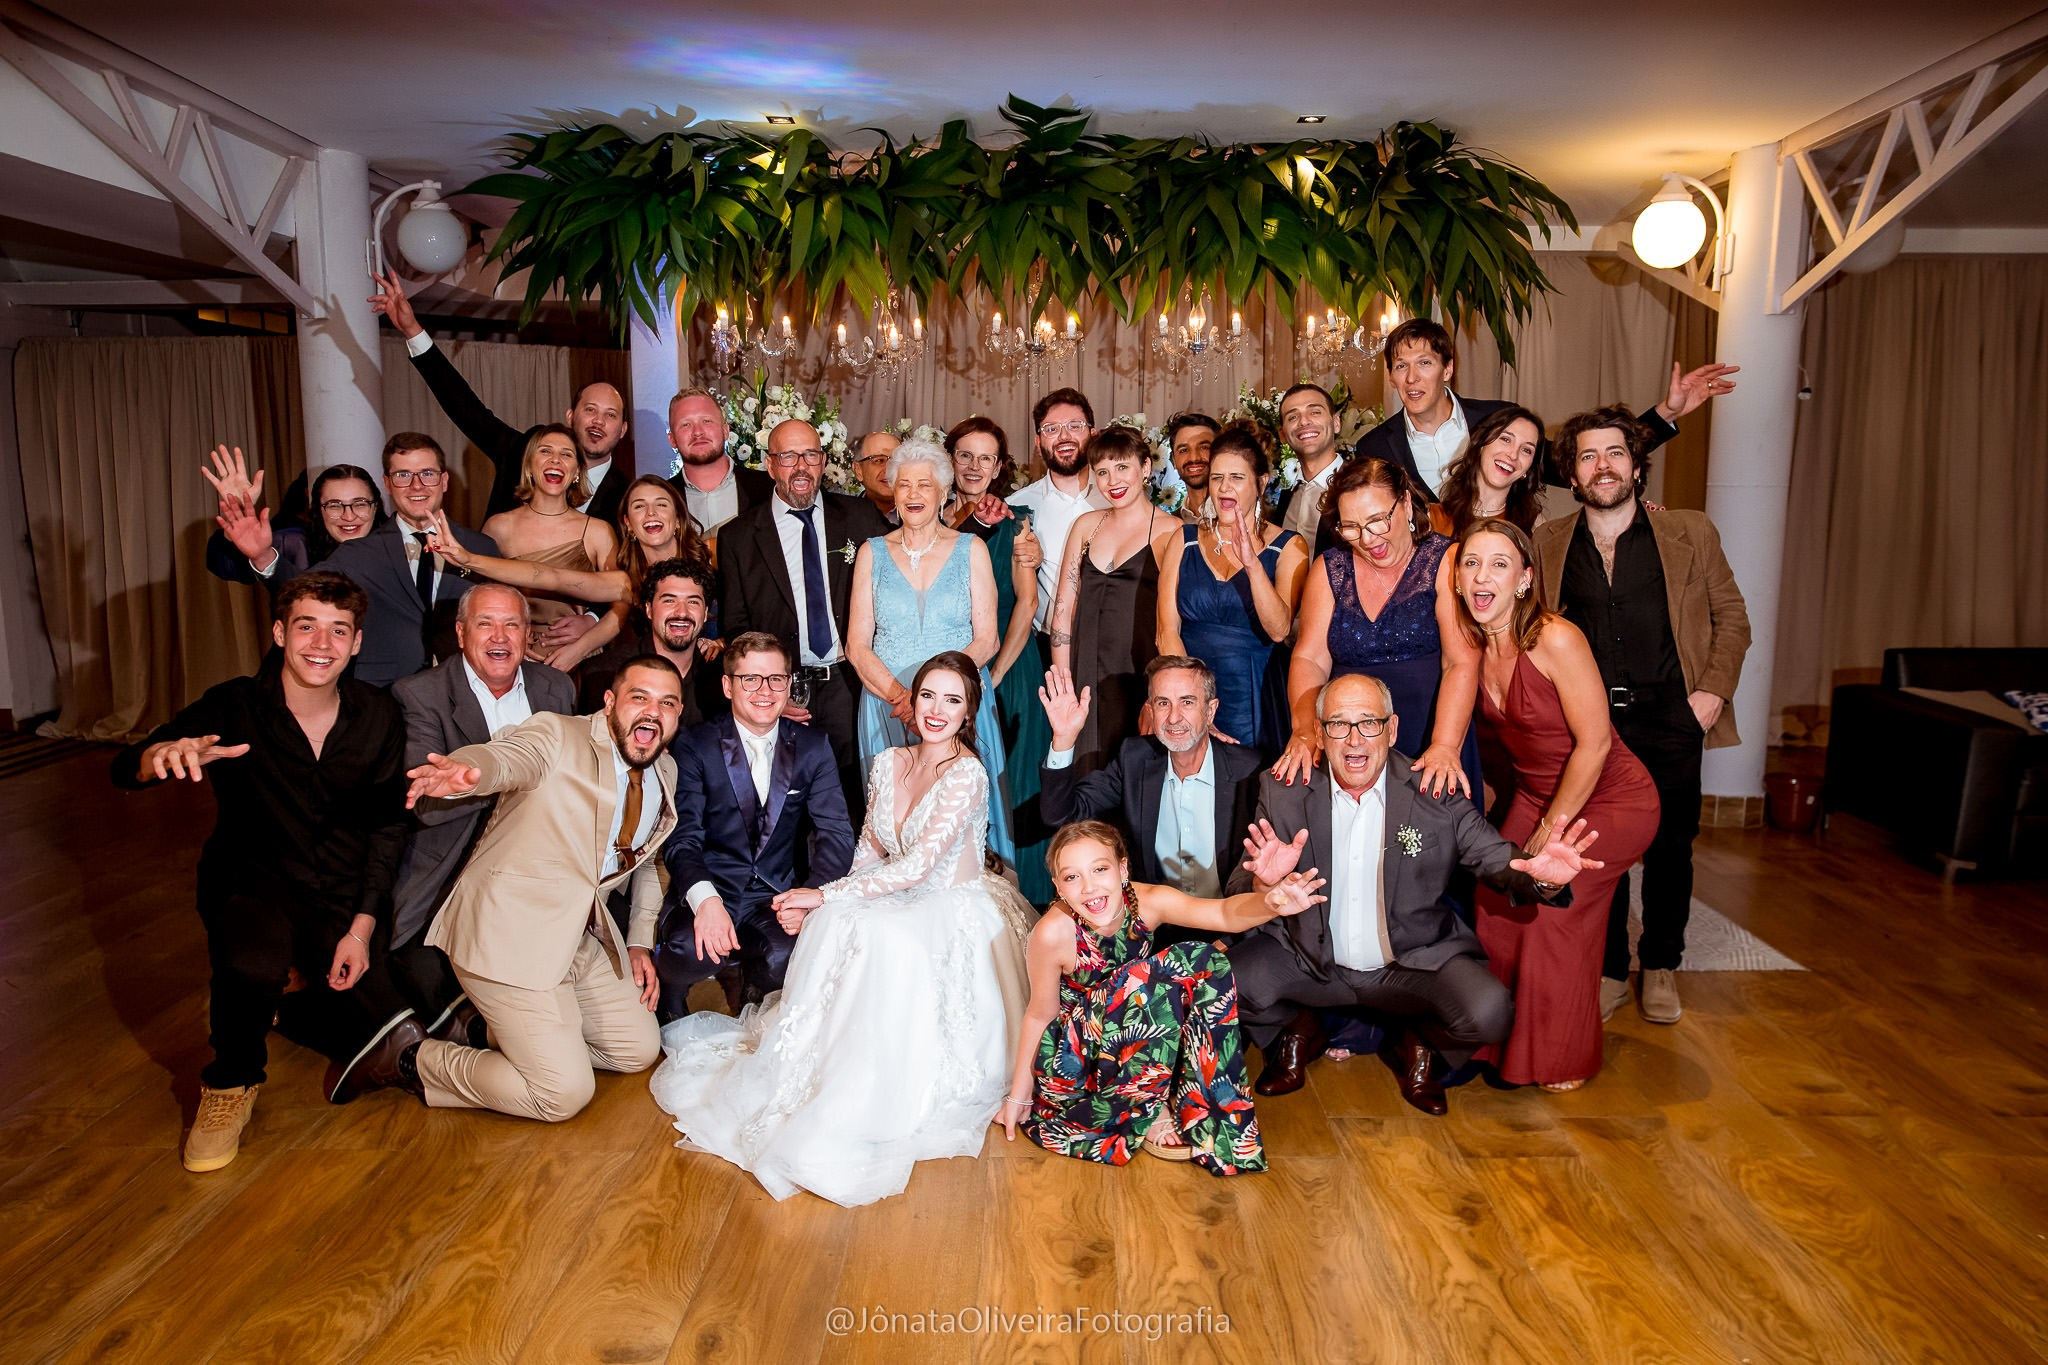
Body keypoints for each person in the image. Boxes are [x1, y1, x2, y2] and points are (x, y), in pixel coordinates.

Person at [650, 652, 1033, 1207]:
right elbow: (869, 851)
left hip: (951, 903)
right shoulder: (888, 763)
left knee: (882, 938)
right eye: (928, 695)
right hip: (893, 891)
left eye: (953, 700)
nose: (936, 710)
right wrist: (828, 903)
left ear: (968, 710)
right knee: (840, 920)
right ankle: (823, 1068)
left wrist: (820, 894)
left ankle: (874, 1082)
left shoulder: (967, 775)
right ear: (911, 700)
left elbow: (919, 868)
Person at [111, 572, 416, 1172]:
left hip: (340, 890)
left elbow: (387, 829)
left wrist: (359, 928)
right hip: (253, 882)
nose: (321, 644)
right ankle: (230, 1083)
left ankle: (285, 1001)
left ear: (356, 644)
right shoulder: (234, 705)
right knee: (251, 963)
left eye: (338, 631)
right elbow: (127, 766)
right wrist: (157, 758)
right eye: (306, 626)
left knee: (386, 1023)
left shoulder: (379, 714)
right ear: (279, 632)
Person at [1227, 675, 1604, 1116]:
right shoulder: (1283, 789)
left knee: (1490, 1011)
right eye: (1339, 724)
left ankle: (1419, 1044)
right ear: (1320, 732)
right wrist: (1265, 885)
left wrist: (1543, 878)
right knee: (1224, 982)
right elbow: (1240, 884)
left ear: (1392, 730)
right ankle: (1297, 1030)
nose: (1354, 740)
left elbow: (1497, 859)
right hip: (1308, 960)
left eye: (1368, 723)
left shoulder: (1435, 791)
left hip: (1408, 964)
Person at [395, 655, 686, 1122]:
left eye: (667, 703)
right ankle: (415, 1059)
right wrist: (469, 773)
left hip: (578, 937)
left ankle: (514, 1037)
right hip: (507, 937)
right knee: (562, 1095)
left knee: (638, 1050)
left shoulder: (663, 772)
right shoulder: (556, 735)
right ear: (610, 702)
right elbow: (510, 758)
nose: (653, 711)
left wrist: (637, 942)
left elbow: (649, 865)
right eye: (640, 697)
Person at [1535, 406, 1751, 1027]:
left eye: (1614, 454)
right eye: (1587, 456)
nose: (1603, 466)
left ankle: (1660, 964)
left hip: (1672, 717)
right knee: (1595, 849)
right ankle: (1607, 971)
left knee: (1671, 848)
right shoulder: (1549, 543)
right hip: (1590, 727)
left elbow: (1732, 620)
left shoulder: (1690, 532)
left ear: (1636, 465)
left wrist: (1710, 694)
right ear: (1572, 475)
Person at [1455, 519, 1661, 1090]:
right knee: (1495, 901)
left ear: (1524, 579)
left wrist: (1550, 828)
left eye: (1499, 564)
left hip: (1612, 796)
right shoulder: (1471, 645)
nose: (1481, 576)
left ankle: (1561, 1056)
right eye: (1471, 563)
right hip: (1535, 791)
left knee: (1552, 909)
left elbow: (1595, 744)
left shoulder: (1555, 637)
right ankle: (1496, 1042)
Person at [1002, 819, 1326, 1172]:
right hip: (1079, 1060)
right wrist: (1019, 1096)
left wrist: (1272, 902)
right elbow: (1039, 1015)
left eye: (1099, 869)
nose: (1089, 887)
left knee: (1204, 960)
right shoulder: (1051, 933)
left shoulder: (1148, 901)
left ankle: (1210, 1113)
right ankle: (1149, 1107)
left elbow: (1221, 914)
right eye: (1072, 877)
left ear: (1123, 870)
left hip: (1136, 1038)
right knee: (1152, 977)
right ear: (1059, 888)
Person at [388, 584, 577, 1037]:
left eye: (511, 624)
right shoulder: (420, 695)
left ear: (527, 634)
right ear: (460, 633)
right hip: (453, 864)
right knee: (421, 980)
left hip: (538, 868)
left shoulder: (556, 688)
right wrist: (490, 780)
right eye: (485, 623)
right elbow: (428, 802)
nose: (499, 636)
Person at [655, 633, 857, 1016]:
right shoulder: (695, 744)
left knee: (791, 954)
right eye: (751, 679)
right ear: (728, 686)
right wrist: (705, 900)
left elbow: (836, 835)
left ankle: (756, 992)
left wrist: (809, 897)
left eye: (776, 679)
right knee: (689, 949)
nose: (765, 690)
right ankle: (669, 996)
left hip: (777, 893)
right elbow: (683, 839)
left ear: (788, 684)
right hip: (713, 886)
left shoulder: (813, 746)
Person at [1350, 317, 1737, 503]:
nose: (1413, 377)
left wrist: (1665, 413)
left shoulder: (1499, 420)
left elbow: (1573, 463)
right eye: (1401, 366)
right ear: (1391, 376)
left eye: (1425, 363)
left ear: (1448, 368)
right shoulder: (1374, 446)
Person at [846, 437, 1013, 862]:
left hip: (957, 707)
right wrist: (905, 699)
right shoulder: (871, 552)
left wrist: (935, 697)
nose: (914, 494)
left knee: (963, 833)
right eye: (904, 485)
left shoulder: (970, 548)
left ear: (944, 491)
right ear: (893, 491)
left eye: (925, 484)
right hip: (887, 704)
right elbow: (857, 645)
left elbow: (988, 639)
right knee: (894, 829)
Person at [1280, 456, 1478, 801]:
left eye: (1377, 521)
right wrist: (1304, 730)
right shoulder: (1329, 569)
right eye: (1351, 527)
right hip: (1352, 748)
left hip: (1432, 736)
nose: (1367, 539)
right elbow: (1310, 659)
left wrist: (1445, 744)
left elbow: (1461, 661)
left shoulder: (1445, 560)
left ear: (1404, 502)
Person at [716, 418, 892, 806]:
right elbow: (737, 627)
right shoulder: (738, 537)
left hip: (851, 685)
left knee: (858, 801)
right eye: (788, 455)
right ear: (769, 464)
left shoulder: (861, 519)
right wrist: (770, 690)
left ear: (823, 460)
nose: (801, 466)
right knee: (784, 806)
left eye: (810, 454)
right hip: (782, 689)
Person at [369, 268, 633, 521]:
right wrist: (413, 329)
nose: (598, 421)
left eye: (610, 415)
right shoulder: (522, 451)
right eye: (590, 410)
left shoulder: (629, 494)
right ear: (570, 415)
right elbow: (465, 408)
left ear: (622, 430)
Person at [1038, 659, 1263, 918]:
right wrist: (1064, 740)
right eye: (1163, 703)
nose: (1174, 717)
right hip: (1154, 931)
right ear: (1150, 710)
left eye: (1187, 702)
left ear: (1210, 711)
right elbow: (1060, 815)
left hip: (1229, 926)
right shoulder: (1134, 759)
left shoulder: (1251, 771)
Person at [273, 434, 498, 687]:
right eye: (403, 475)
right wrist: (262, 556)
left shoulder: (481, 547)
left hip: (465, 684)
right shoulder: (360, 551)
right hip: (384, 691)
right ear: (387, 484)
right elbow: (299, 589)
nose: (416, 485)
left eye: (427, 473)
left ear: (444, 481)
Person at [1156, 419, 1308, 757]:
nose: (1225, 488)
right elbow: (1166, 631)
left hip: (1254, 694)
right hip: (1187, 694)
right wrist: (1190, 704)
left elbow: (1280, 629)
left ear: (1261, 482)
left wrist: (1252, 564)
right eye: (1217, 477)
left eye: (1236, 478)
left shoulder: (1289, 546)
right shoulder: (1184, 539)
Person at [944, 417, 1050, 898]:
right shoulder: (932, 518)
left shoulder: (1017, 521)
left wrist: (993, 675)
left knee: (1012, 781)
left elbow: (1027, 605)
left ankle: (1021, 899)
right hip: (948, 674)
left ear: (1000, 466)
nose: (974, 466)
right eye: (965, 454)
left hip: (1008, 667)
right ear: (950, 459)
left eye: (986, 457)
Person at [1048, 425, 1170, 776]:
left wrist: (1158, 694)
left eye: (1122, 467)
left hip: (1138, 671)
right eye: (1102, 471)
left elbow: (1174, 620)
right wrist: (1063, 683)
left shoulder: (1172, 530)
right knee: (1085, 772)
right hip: (1083, 672)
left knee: (1135, 774)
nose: (1112, 480)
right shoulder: (1086, 525)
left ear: (1145, 468)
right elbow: (1063, 609)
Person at [476, 423, 621, 673]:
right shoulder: (498, 527)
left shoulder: (598, 531)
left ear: (577, 471)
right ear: (529, 465)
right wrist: (513, 640)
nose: (556, 460)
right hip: (513, 659)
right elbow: (481, 602)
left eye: (566, 454)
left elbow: (623, 606)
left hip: (583, 664)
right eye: (545, 452)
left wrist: (581, 647)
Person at [576, 556, 729, 724]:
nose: (682, 612)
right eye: (669, 600)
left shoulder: (722, 679)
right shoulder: (604, 672)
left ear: (706, 613)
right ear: (649, 609)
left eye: (693, 602)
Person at [204, 446, 386, 585]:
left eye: (360, 504)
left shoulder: (397, 547)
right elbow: (225, 566)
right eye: (334, 505)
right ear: (317, 509)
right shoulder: (295, 543)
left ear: (375, 506)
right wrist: (237, 516)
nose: (349, 516)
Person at [1008, 387, 1107, 640]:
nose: (1064, 436)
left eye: (1075, 426)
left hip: (1114, 644)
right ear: (1038, 442)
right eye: (1051, 429)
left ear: (1093, 434)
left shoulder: (1117, 497)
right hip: (1047, 646)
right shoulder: (1017, 506)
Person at [667, 387, 775, 541]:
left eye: (706, 421)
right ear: (672, 439)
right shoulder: (663, 498)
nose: (698, 432)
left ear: (725, 431)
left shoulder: (769, 489)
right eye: (686, 425)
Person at [1435, 404, 1548, 536]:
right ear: (1482, 444)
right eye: (1506, 439)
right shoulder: (1432, 518)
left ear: (1529, 468)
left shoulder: (1535, 527)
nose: (1513, 455)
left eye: (1526, 450)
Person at [1275, 383, 1348, 551]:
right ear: (1282, 434)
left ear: (1336, 422)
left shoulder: (1361, 486)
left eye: (1315, 412)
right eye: (1292, 417)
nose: (1304, 421)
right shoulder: (1287, 495)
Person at [1163, 412, 1219, 523]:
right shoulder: (1172, 525)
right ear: (1174, 460)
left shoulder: (1241, 515)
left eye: (1204, 447)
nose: (1194, 458)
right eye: (1183, 450)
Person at [850, 429, 901, 524]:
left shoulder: (921, 514)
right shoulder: (843, 517)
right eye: (879, 460)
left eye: (896, 461)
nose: (889, 469)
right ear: (858, 470)